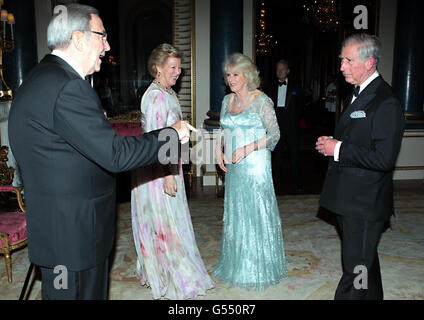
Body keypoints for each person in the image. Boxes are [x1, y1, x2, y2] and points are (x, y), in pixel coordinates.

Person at [8, 4, 194, 300]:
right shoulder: (68, 87)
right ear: (79, 39)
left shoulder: (37, 78)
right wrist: (172, 135)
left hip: (57, 230)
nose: (107, 46)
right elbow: (115, 155)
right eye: (102, 36)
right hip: (74, 238)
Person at [316, 33, 405, 300]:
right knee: (364, 260)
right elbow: (359, 138)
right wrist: (335, 143)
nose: (341, 66)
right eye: (341, 59)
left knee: (356, 271)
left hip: (365, 202)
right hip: (350, 197)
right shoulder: (358, 93)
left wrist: (338, 149)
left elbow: (384, 158)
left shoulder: (385, 101)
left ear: (369, 62)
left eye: (348, 60)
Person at [131, 43, 215, 300]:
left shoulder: (166, 92)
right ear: (157, 68)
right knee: (164, 222)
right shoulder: (156, 96)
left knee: (170, 220)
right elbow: (159, 138)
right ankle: (173, 273)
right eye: (173, 67)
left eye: (180, 67)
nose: (178, 72)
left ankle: (163, 270)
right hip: (158, 170)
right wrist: (167, 173)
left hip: (166, 166)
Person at [213, 53, 287, 290]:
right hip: (234, 165)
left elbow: (275, 134)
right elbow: (222, 129)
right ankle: (238, 262)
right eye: (228, 75)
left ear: (247, 76)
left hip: (256, 164)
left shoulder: (262, 101)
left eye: (236, 74)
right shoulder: (227, 101)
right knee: (236, 212)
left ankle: (259, 265)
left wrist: (248, 148)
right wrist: (218, 150)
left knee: (256, 212)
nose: (231, 79)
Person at [264, 59, 303, 192]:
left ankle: (298, 181)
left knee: (294, 154)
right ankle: (275, 181)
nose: (279, 71)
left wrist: (295, 120)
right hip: (276, 124)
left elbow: (300, 106)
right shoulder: (270, 87)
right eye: (277, 69)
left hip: (291, 124)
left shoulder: (296, 87)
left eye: (282, 69)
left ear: (288, 71)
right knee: (277, 154)